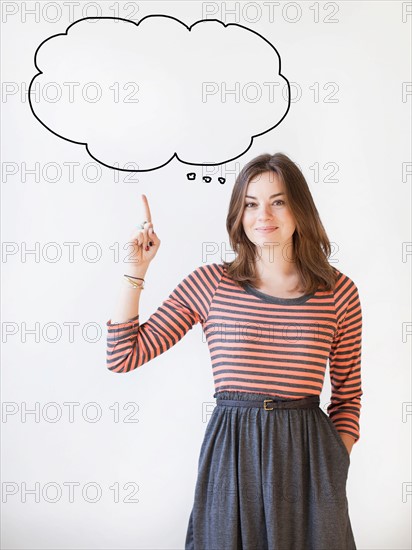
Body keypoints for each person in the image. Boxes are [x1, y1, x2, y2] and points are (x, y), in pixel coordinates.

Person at [106, 152, 363, 550]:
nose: (264, 215)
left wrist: (334, 462)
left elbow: (347, 396)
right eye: (251, 203)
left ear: (300, 209)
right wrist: (135, 270)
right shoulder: (211, 283)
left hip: (310, 463)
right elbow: (123, 356)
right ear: (238, 214)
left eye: (278, 201)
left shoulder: (338, 291)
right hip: (231, 460)